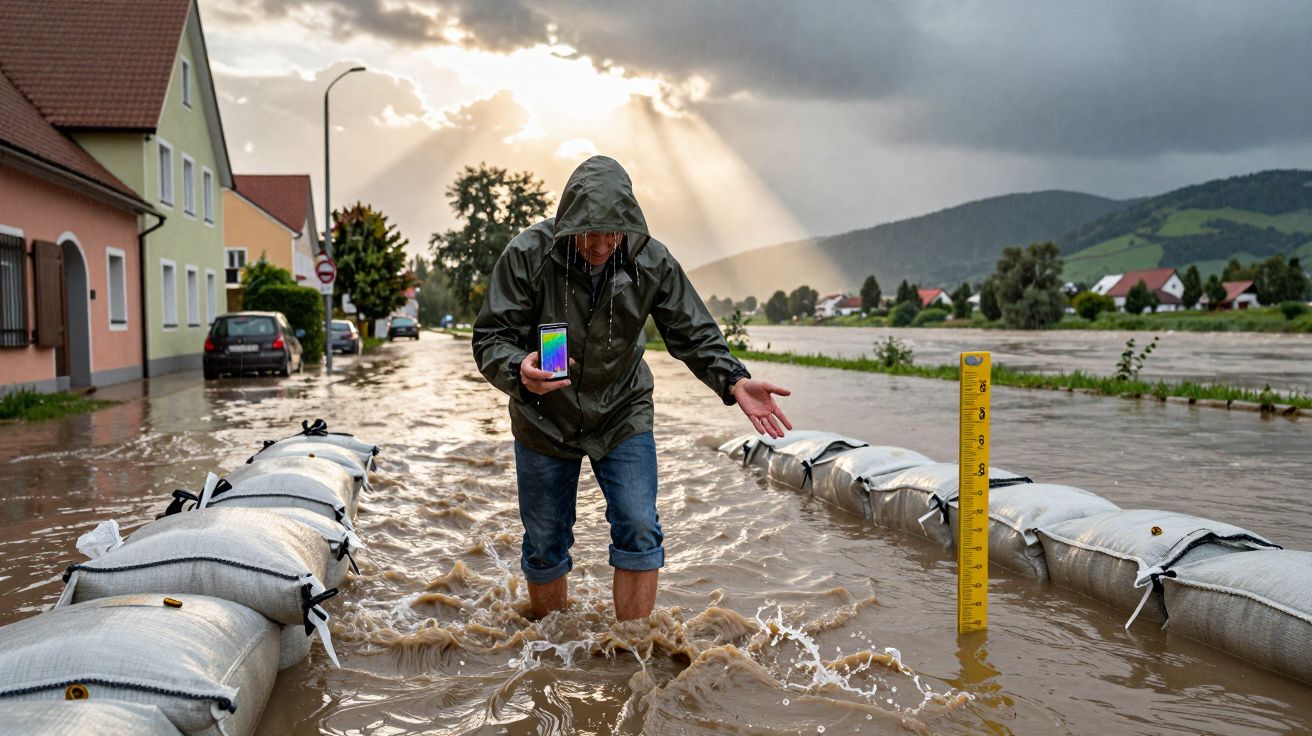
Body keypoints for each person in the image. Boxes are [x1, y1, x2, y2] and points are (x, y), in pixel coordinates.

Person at [472, 155, 792, 622]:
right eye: (591, 233)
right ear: (570, 223)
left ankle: (633, 651)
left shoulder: (651, 260)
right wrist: (518, 367)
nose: (602, 245)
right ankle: (546, 646)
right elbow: (490, 336)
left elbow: (694, 332)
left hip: (623, 411)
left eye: (613, 233)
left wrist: (734, 380)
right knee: (544, 543)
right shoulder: (527, 254)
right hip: (544, 415)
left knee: (640, 526)